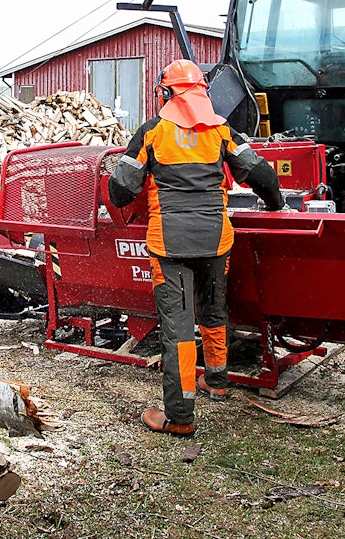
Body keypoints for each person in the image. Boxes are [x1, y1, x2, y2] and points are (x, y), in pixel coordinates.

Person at [108, 59, 284, 437]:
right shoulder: (222, 132)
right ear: (202, 92)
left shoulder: (152, 133)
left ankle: (180, 417)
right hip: (216, 240)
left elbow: (121, 189)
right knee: (213, 308)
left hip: (170, 244)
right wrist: (276, 206)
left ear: (168, 93)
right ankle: (216, 380)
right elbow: (263, 175)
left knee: (178, 328)